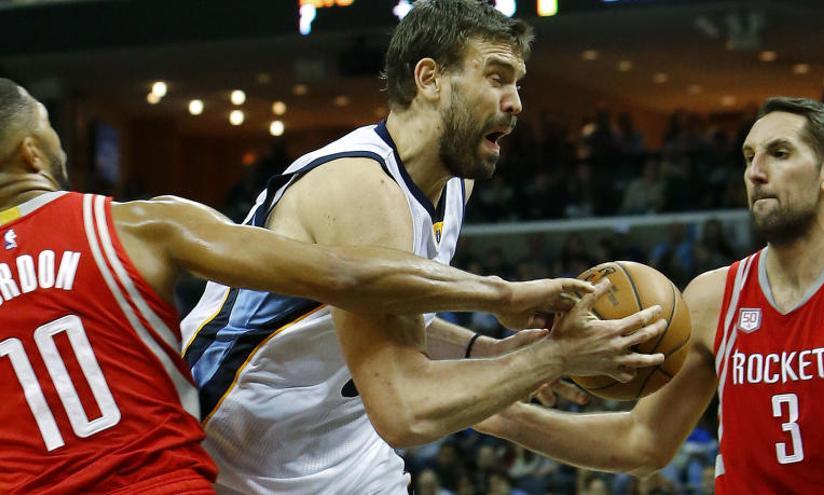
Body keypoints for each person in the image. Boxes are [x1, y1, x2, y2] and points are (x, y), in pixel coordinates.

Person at [0, 79, 594, 493]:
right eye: (51, 128)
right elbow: (348, 275)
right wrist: (503, 296)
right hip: (165, 479)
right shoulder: (136, 224)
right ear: (32, 153)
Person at [181, 1, 665, 493]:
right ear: (430, 79)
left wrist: (485, 350)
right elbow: (404, 411)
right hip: (227, 447)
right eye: (497, 77)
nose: (516, 102)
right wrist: (555, 357)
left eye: (518, 83)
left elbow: (395, 324)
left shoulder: (454, 183)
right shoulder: (359, 185)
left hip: (340, 447)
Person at [476, 97, 824, 492]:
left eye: (779, 153)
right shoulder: (714, 296)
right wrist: (498, 415)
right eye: (748, 156)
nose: (755, 173)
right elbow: (642, 441)